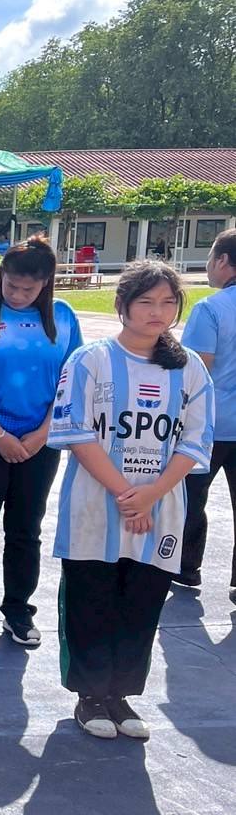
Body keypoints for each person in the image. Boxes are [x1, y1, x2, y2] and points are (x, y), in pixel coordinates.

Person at [49, 261, 213, 739]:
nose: (157, 311)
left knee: (141, 602)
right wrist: (127, 494)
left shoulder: (190, 367)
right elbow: (77, 432)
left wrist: (152, 495)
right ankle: (90, 696)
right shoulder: (91, 360)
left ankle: (120, 695)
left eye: (168, 302)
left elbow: (195, 442)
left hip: (161, 510)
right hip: (96, 507)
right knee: (91, 598)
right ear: (122, 305)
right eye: (146, 301)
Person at [0, 236, 82, 647]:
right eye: (11, 286)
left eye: (28, 289)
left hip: (39, 442)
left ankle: (18, 610)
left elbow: (71, 382)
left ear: (45, 283)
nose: (18, 295)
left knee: (26, 530)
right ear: (0, 275)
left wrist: (43, 434)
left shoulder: (63, 317)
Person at [177, 226, 236, 598]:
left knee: (190, 497)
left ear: (223, 260)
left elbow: (197, 370)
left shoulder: (210, 309)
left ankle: (186, 567)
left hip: (212, 424)